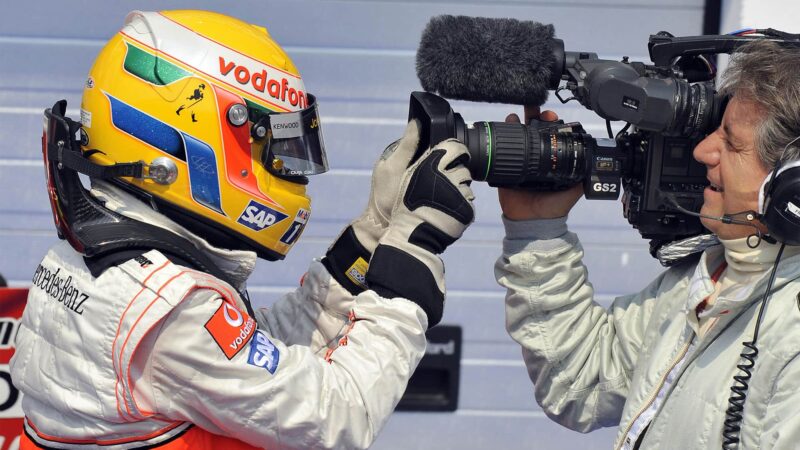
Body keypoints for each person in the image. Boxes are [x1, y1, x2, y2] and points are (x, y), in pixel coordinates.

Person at [10, 10, 475, 450]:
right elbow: (338, 413)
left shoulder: (115, 263)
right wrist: (415, 253)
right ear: (191, 135)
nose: (290, 166)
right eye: (273, 144)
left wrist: (373, 231)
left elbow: (255, 363)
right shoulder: (167, 308)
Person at [494, 39, 800, 449]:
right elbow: (580, 384)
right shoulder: (711, 277)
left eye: (730, 141)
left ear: (791, 185)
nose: (702, 151)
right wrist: (537, 228)